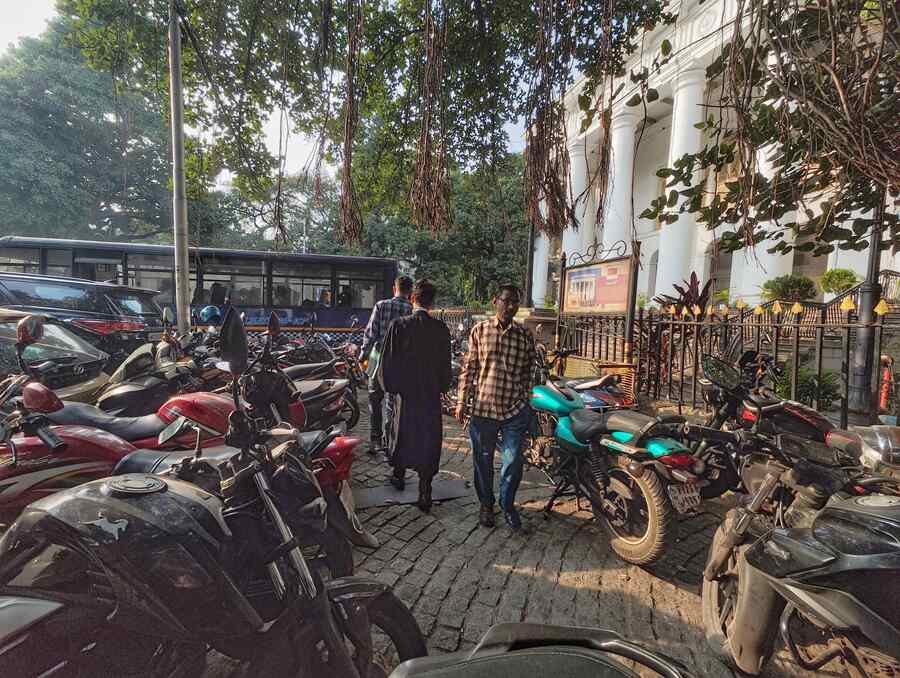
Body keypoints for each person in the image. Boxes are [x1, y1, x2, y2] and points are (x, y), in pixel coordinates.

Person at [455, 283, 536, 534]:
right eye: (507, 301)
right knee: (483, 461)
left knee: (513, 461)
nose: (511, 306)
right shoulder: (480, 331)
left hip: (513, 409)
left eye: (515, 302)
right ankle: (486, 505)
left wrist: (525, 397)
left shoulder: (524, 335)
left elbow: (530, 371)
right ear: (495, 301)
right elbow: (469, 368)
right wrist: (461, 401)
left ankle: (507, 504)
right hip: (483, 408)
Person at [378, 279, 452, 511]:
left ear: (412, 299)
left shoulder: (399, 326)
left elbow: (387, 364)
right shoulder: (441, 330)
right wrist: (439, 387)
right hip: (429, 397)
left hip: (405, 396)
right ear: (432, 302)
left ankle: (398, 476)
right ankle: (425, 492)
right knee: (427, 440)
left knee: (401, 434)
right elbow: (445, 370)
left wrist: (392, 388)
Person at [361, 275, 413, 454]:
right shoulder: (411, 310)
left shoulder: (381, 305)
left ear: (394, 289)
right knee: (393, 403)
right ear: (410, 292)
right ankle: (389, 441)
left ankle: (375, 440)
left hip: (377, 360)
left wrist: (363, 354)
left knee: (374, 400)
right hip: (400, 364)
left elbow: (370, 333)